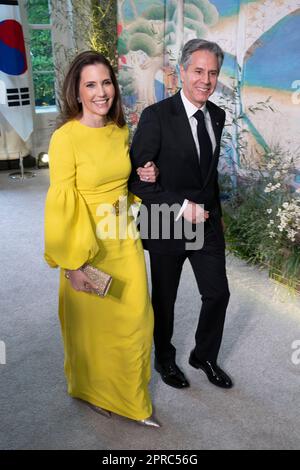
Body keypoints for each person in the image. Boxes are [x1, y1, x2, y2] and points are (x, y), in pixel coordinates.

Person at [44, 50, 161, 427]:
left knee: (136, 322)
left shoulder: (120, 131)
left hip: (123, 238)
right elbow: (62, 205)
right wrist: (72, 264)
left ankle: (130, 397)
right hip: (86, 244)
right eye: (90, 84)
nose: (101, 91)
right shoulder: (65, 139)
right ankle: (94, 390)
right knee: (94, 331)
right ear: (76, 92)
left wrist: (143, 178)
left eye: (106, 82)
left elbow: (123, 186)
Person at [129, 39, 233, 390]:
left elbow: (209, 174)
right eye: (199, 71)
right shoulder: (156, 117)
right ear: (182, 72)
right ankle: (165, 357)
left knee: (218, 293)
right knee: (165, 300)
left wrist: (214, 214)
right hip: (165, 222)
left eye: (213, 73)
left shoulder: (217, 115)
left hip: (206, 222)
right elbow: (136, 181)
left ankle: (204, 355)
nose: (206, 80)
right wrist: (180, 206)